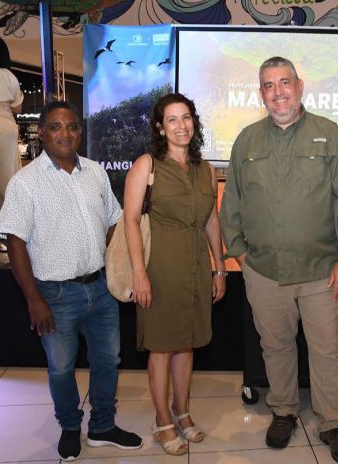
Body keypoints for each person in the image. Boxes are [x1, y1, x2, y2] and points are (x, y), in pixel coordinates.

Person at [220, 56, 338, 464]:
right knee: (275, 346)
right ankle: (283, 411)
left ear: (300, 87)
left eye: (285, 83)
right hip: (264, 271)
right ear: (260, 92)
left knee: (327, 350)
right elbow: (233, 202)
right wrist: (241, 253)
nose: (278, 92)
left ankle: (333, 423)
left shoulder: (329, 134)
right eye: (269, 85)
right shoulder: (247, 140)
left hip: (322, 270)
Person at [0, 101, 143, 461]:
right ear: (42, 132)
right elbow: (15, 243)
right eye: (56, 127)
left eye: (72, 126)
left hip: (100, 288)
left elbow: (113, 222)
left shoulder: (95, 172)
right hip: (54, 293)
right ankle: (70, 427)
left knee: (108, 361)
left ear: (81, 131)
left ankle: (103, 426)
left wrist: (119, 266)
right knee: (61, 367)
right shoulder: (25, 182)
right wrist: (33, 299)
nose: (65, 133)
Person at [123, 93, 226, 456]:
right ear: (159, 126)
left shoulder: (206, 169)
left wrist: (219, 268)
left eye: (186, 118)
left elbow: (211, 219)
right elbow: (131, 221)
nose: (181, 126)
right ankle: (162, 419)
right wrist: (139, 273)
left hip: (197, 265)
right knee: (161, 347)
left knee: (186, 343)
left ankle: (183, 413)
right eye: (172, 119)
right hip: (160, 265)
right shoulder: (146, 165)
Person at [0, 34, 23, 251]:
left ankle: (3, 235)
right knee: (8, 179)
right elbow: (18, 108)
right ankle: (12, 235)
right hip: (7, 126)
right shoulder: (9, 75)